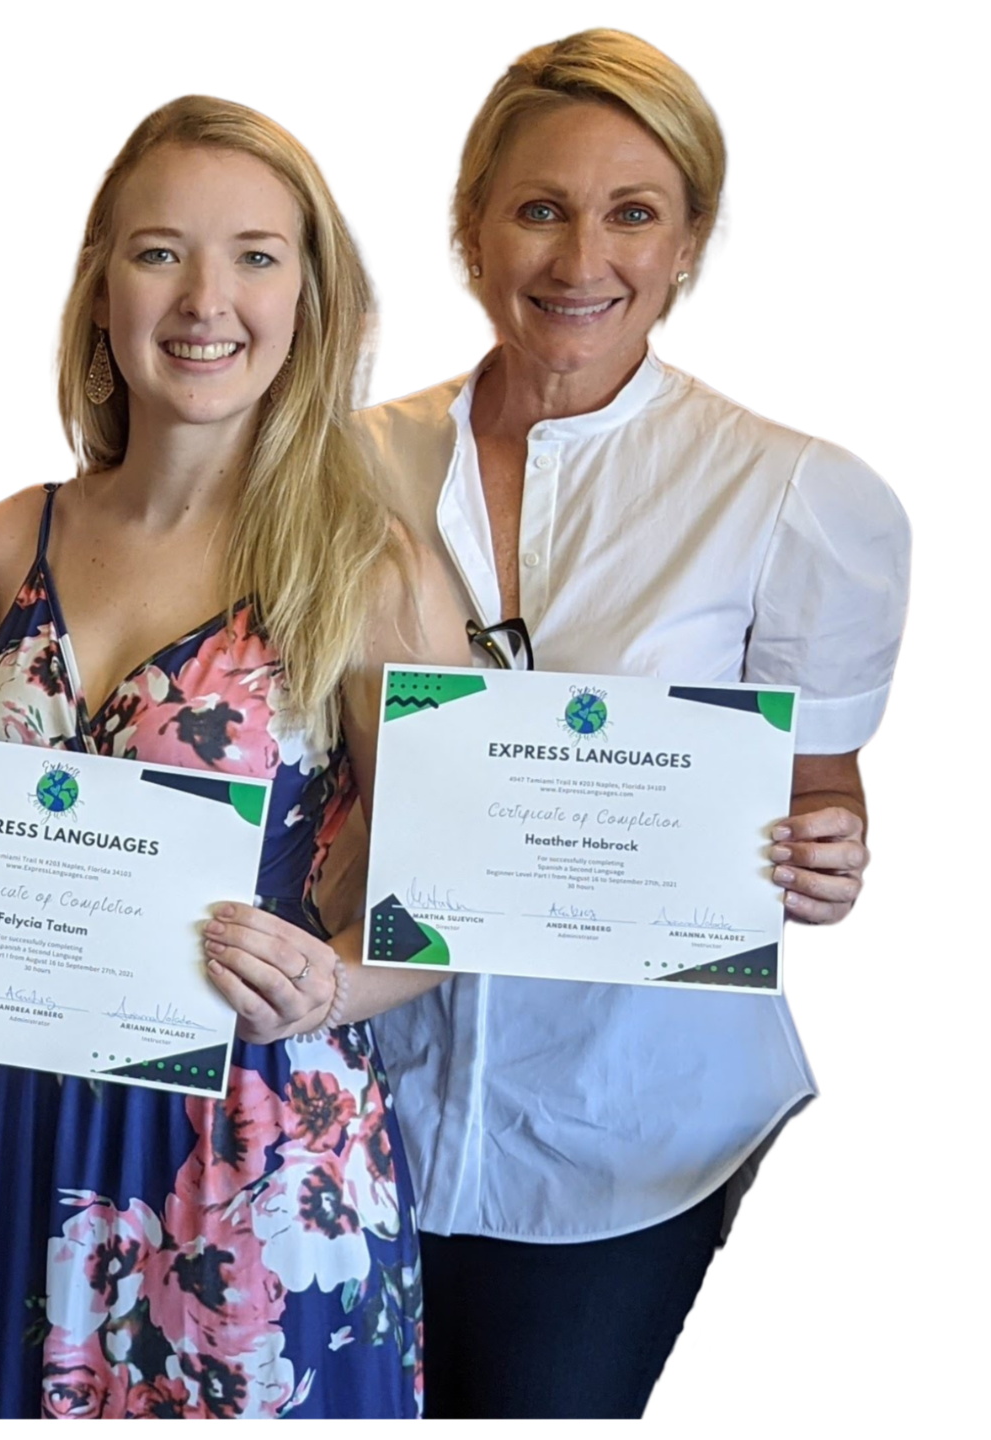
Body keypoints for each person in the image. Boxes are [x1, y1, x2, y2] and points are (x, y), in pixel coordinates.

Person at [355, 25, 912, 1420]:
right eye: (540, 208)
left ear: (691, 247)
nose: (581, 258)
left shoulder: (792, 496)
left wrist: (827, 852)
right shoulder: (339, 467)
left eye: (634, 213)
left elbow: (822, 787)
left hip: (631, 1123)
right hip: (352, 1092)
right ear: (468, 232)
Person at [0, 93, 473, 1421]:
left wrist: (333, 986)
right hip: (21, 1129)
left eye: (255, 255)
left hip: (258, 1156)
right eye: (161, 251)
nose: (205, 299)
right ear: (100, 281)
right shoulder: (0, 541)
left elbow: (457, 895)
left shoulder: (369, 565)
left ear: (309, 296)